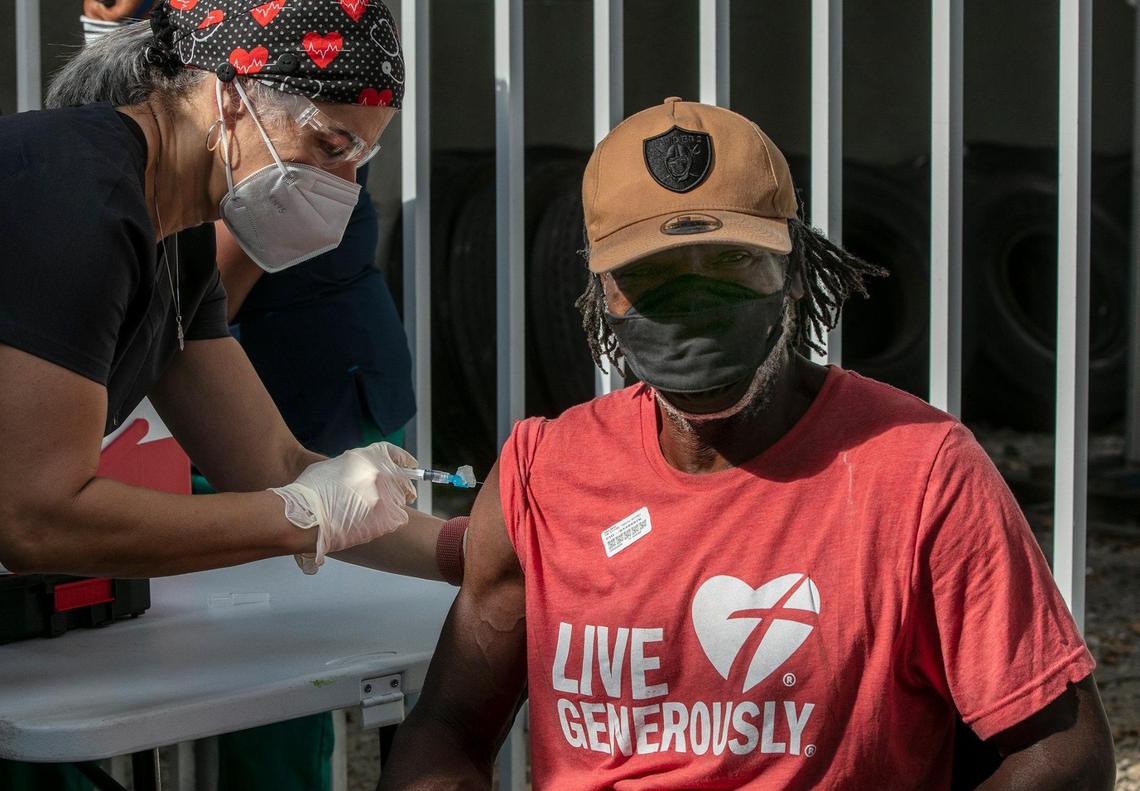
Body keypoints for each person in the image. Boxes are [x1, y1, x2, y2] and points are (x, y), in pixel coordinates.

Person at [378, 99, 1117, 789]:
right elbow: (444, 730)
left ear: (796, 269)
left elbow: (1065, 748)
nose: (694, 302)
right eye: (653, 275)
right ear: (603, 290)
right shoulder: (544, 476)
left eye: (732, 262)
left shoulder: (918, 470)